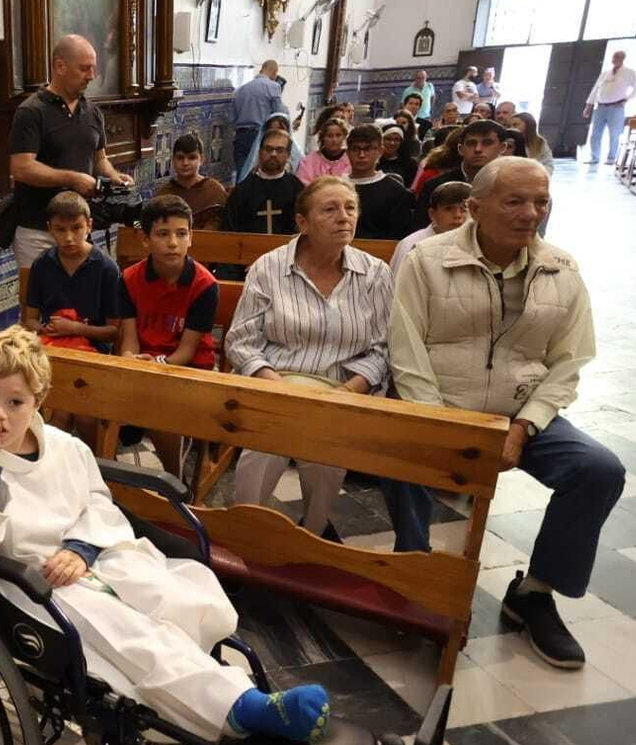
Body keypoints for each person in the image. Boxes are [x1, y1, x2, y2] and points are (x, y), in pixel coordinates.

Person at [0, 326, 333, 743]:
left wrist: (80, 548)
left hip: (89, 557)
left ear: (38, 401)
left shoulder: (63, 447)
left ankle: (200, 674)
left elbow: (94, 499)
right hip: (30, 580)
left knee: (171, 595)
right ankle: (239, 707)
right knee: (131, 636)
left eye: (14, 402)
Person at [384, 158, 624, 670]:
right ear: (474, 208)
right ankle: (414, 573)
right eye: (514, 201)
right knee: (404, 452)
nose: (529, 214)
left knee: (598, 470)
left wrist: (524, 425)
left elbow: (569, 360)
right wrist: (445, 426)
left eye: (540, 202)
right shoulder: (426, 260)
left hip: (520, 408)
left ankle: (534, 592)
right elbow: (406, 351)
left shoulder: (561, 269)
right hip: (442, 407)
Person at [226, 177, 393, 541]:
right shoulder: (269, 268)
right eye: (330, 209)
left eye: (350, 208)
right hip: (276, 385)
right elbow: (241, 341)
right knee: (261, 451)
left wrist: (348, 392)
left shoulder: (375, 274)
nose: (343, 217)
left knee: (326, 458)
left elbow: (383, 348)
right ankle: (245, 534)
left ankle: (313, 535)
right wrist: (279, 387)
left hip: (339, 391)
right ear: (303, 222)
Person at [8, 34, 134, 267]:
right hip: (38, 229)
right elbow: (22, 168)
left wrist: (114, 177)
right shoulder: (31, 112)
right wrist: (73, 178)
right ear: (60, 66)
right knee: (41, 300)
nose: (92, 76)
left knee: (79, 298)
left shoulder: (93, 112)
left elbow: (100, 158)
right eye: (84, 69)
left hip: (79, 228)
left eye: (93, 69)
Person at [119, 195, 218, 473]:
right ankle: (109, 478)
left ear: (191, 237)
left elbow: (187, 350)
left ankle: (175, 480)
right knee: (99, 398)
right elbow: (129, 335)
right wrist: (129, 359)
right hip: (144, 361)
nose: (173, 242)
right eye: (162, 234)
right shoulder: (129, 278)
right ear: (145, 239)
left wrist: (156, 367)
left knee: (159, 413)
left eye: (181, 233)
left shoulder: (204, 285)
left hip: (188, 367)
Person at [23, 192, 126, 355]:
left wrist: (76, 329)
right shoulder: (42, 264)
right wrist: (47, 329)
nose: (68, 238)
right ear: (50, 229)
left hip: (93, 352)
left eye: (76, 228)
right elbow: (30, 319)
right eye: (60, 230)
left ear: (89, 226)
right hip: (50, 346)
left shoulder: (107, 269)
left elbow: (114, 332)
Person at [419, 120, 503, 227]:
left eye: (487, 143)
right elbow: (421, 228)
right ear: (460, 149)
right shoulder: (435, 186)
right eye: (471, 143)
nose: (478, 149)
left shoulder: (513, 185)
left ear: (502, 147)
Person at [225, 127, 302, 236]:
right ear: (260, 152)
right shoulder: (242, 190)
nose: (273, 154)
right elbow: (230, 230)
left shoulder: (297, 189)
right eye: (268, 149)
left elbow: (303, 228)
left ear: (288, 155)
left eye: (279, 150)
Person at [345, 124, 418, 239]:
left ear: (380, 151)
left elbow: (399, 237)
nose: (362, 155)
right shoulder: (336, 187)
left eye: (368, 149)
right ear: (347, 152)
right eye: (356, 149)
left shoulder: (396, 192)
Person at [389, 181, 469, 275]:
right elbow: (398, 287)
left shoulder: (479, 243)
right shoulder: (411, 245)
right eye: (449, 209)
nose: (457, 215)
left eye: (464, 209)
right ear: (432, 214)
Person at [158, 133, 228, 230]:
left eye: (192, 157)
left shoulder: (215, 191)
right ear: (173, 160)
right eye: (180, 158)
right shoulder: (164, 194)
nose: (185, 163)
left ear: (202, 159)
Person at [231, 60, 289, 175]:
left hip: (240, 136)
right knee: (260, 174)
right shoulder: (273, 87)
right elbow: (279, 115)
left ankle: (241, 193)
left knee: (241, 173)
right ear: (274, 72)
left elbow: (231, 118)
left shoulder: (240, 90)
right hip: (260, 136)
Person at [583, 50, 636, 164]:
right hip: (601, 107)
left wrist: (626, 99)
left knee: (614, 133)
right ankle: (595, 157)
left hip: (616, 107)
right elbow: (595, 90)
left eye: (618, 57)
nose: (615, 59)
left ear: (623, 58)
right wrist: (588, 106)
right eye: (614, 57)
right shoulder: (605, 73)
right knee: (595, 134)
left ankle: (611, 157)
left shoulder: (629, 72)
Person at [234, 112, 305, 185]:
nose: (273, 154)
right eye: (272, 131)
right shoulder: (255, 166)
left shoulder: (298, 161)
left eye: (280, 130)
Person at [296, 118, 352, 183]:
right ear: (323, 137)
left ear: (344, 137)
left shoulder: (351, 159)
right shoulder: (309, 161)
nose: (334, 140)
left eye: (338, 135)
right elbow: (302, 185)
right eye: (330, 136)